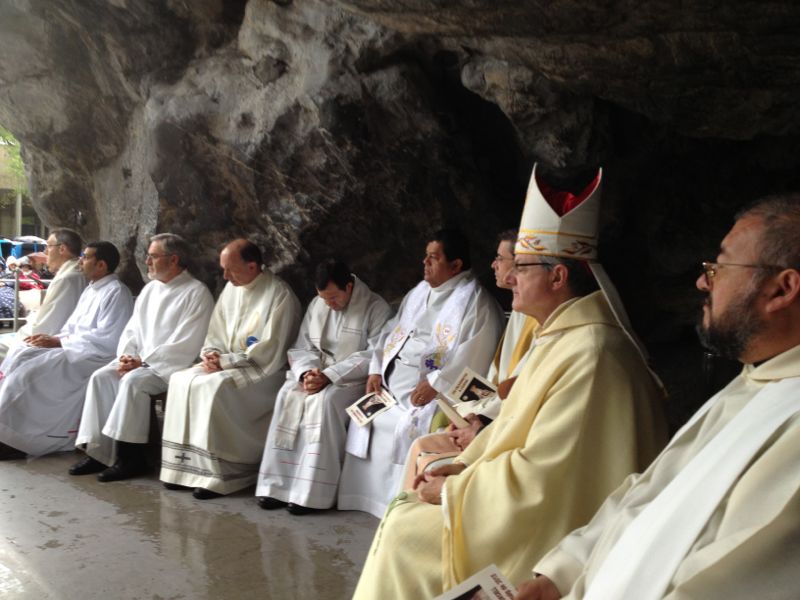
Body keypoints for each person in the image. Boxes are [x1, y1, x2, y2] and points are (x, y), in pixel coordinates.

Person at [352, 166, 668, 599]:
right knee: (407, 510)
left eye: (523, 267)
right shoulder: (561, 336)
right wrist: (466, 462)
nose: (510, 277)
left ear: (558, 278)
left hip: (558, 526)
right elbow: (515, 427)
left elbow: (544, 474)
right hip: (528, 500)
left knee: (405, 537)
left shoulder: (591, 353)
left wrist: (458, 489)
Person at [514, 193, 800, 600]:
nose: (703, 281)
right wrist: (560, 575)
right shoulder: (755, 379)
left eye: (718, 266)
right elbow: (648, 491)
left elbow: (729, 584)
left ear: (781, 289)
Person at [338, 228, 505, 518]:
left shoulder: (476, 303)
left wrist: (436, 384)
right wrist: (377, 369)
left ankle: (397, 502)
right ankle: (364, 499)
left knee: (396, 424)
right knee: (362, 416)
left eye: (433, 258)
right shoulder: (419, 293)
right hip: (391, 386)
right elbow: (391, 331)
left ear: (455, 265)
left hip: (431, 395)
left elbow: (472, 359)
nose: (425, 264)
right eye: (425, 257)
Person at [158, 239, 302, 500]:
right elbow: (216, 332)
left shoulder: (279, 295)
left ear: (252, 266)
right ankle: (183, 469)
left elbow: (270, 349)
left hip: (265, 371)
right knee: (180, 380)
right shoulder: (231, 289)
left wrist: (224, 362)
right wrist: (212, 353)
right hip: (225, 362)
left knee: (215, 387)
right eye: (222, 269)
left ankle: (220, 474)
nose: (225, 276)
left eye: (230, 270)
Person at [69, 233, 214, 481]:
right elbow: (132, 330)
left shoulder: (196, 293)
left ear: (174, 259)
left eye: (153, 256)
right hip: (140, 363)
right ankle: (99, 453)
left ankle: (132, 458)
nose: (147, 261)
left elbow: (187, 342)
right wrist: (127, 356)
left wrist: (143, 362)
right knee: (101, 377)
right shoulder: (149, 290)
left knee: (133, 383)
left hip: (170, 367)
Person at [401, 230, 539, 488]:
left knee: (423, 442)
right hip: (486, 408)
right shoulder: (522, 308)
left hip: (496, 420)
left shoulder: (477, 302)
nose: (493, 265)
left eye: (501, 258)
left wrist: (478, 420)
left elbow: (509, 384)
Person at [256, 259, 392, 514]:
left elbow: (375, 354)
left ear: (349, 287)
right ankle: (277, 487)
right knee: (288, 395)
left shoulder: (376, 307)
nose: (329, 304)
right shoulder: (318, 304)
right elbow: (302, 346)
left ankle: (311, 493)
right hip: (318, 373)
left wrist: (329, 375)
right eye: (324, 298)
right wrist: (307, 372)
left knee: (325, 401)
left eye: (333, 298)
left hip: (352, 379)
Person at [0, 242, 133, 460]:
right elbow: (72, 328)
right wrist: (53, 338)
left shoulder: (116, 293)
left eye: (86, 258)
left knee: (29, 375)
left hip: (93, 356)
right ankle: (8, 434)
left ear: (101, 265)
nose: (81, 261)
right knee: (21, 353)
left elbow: (109, 339)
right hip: (75, 348)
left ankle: (29, 440)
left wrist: (62, 343)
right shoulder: (91, 289)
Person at [0, 229, 86, 357]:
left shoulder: (68, 279)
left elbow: (46, 327)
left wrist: (28, 325)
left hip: (52, 342)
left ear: (62, 249)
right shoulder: (72, 274)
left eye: (48, 247)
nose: (45, 252)